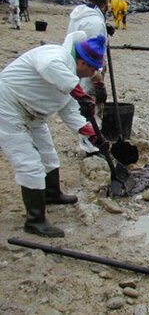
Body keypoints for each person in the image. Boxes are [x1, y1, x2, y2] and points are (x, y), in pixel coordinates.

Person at [0, 32, 107, 238]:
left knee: (49, 154)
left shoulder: (71, 77)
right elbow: (49, 68)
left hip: (35, 114)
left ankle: (51, 194)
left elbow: (70, 111)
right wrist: (79, 93)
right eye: (92, 67)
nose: (92, 72)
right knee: (29, 163)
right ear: (81, 61)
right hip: (9, 106)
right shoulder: (55, 56)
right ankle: (35, 221)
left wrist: (93, 136)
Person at [67, 0, 110, 151]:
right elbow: (93, 52)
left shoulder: (81, 15)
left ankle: (90, 141)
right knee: (91, 104)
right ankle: (91, 148)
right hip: (87, 69)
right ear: (106, 1)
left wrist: (106, 30)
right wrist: (98, 80)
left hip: (78, 64)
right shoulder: (94, 23)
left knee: (84, 104)